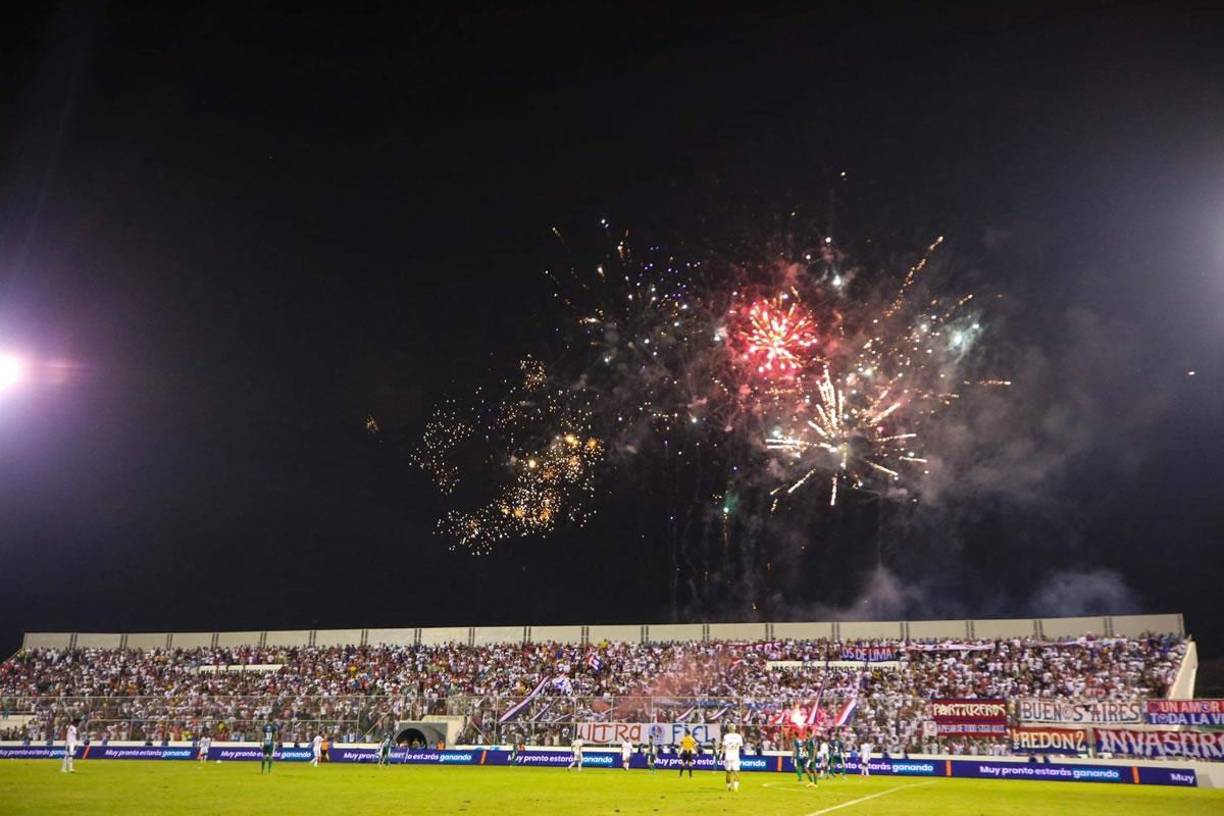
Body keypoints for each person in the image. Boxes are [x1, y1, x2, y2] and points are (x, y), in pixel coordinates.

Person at [721, 724, 744, 793]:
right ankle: (735, 788)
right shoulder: (738, 736)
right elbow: (740, 746)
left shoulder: (726, 736)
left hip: (728, 756)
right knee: (736, 772)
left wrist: (721, 754)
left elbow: (724, 746)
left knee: (728, 772)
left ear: (728, 728)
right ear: (735, 728)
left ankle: (729, 788)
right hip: (735, 756)